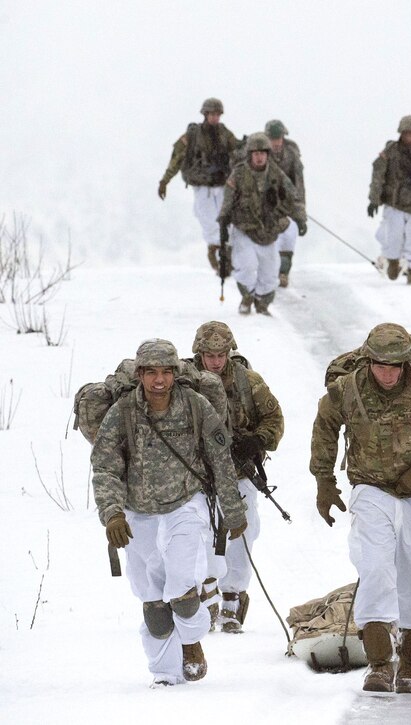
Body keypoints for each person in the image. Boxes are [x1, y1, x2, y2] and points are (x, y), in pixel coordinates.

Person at [309, 323, 411, 693]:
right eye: (381, 365)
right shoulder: (346, 390)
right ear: (368, 360)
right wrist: (324, 482)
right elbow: (324, 430)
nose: (389, 373)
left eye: (396, 366)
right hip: (370, 488)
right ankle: (380, 665)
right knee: (374, 565)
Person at [90, 339, 247, 687]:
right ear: (141, 375)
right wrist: (112, 513)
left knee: (181, 583)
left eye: (165, 372)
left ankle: (191, 643)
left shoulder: (196, 405)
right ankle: (163, 672)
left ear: (175, 373)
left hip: (185, 504)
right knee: (152, 599)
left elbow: (221, 461)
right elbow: (104, 465)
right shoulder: (123, 412)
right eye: (151, 373)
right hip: (138, 510)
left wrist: (233, 511)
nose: (158, 380)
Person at [189, 321, 284, 633]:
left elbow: (274, 418)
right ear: (198, 353)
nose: (216, 360)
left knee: (243, 532)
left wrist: (256, 441)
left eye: (221, 354)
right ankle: (205, 593)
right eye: (209, 354)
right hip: (196, 474)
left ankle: (233, 596)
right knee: (198, 534)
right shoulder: (185, 380)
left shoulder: (248, 381)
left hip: (239, 470)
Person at [218, 132, 307, 315]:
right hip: (244, 228)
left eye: (262, 153)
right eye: (255, 153)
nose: (259, 157)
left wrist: (300, 218)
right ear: (250, 154)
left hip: (268, 231)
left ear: (267, 154)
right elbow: (228, 199)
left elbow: (293, 196)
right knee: (246, 265)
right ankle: (247, 296)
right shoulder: (239, 174)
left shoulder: (276, 174)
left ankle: (262, 302)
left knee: (270, 271)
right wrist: (223, 223)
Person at [158, 98, 240, 272]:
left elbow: (237, 150)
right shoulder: (192, 135)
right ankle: (214, 250)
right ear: (205, 114)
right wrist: (165, 180)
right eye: (212, 114)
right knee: (208, 220)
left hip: (222, 184)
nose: (215, 118)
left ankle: (227, 256)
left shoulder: (225, 133)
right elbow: (177, 159)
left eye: (218, 114)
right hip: (202, 186)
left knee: (227, 219)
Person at [367, 116, 411, 285]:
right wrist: (374, 199)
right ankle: (393, 264)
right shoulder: (391, 152)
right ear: (402, 133)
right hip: (395, 204)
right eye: (410, 134)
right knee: (393, 238)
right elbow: (378, 175)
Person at [264, 119, 306, 288]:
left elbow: (299, 187)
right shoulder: (258, 153)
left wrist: (300, 216)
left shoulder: (291, 154)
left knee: (289, 234)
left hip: (286, 204)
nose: (276, 142)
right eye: (273, 138)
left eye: (279, 138)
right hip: (263, 205)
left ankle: (283, 272)